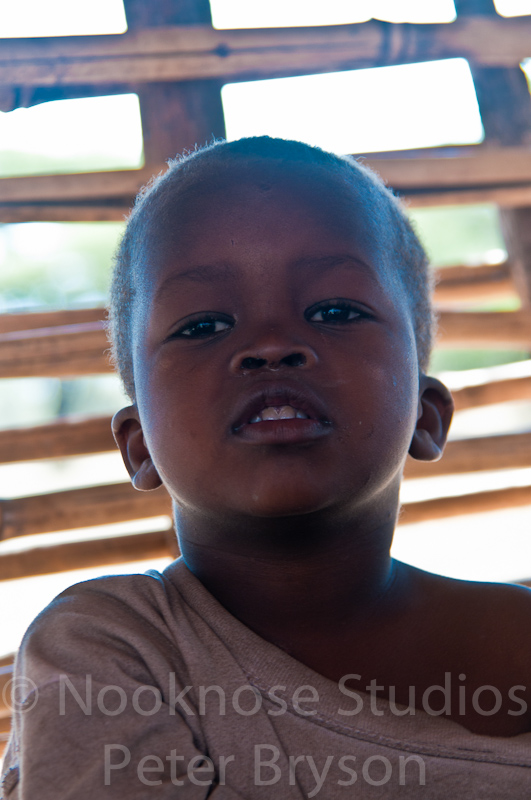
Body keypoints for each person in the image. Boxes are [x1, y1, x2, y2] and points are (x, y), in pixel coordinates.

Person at [2, 137, 531, 799]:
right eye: (201, 325)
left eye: (333, 312)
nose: (272, 345)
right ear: (138, 445)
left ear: (425, 415)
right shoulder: (114, 648)